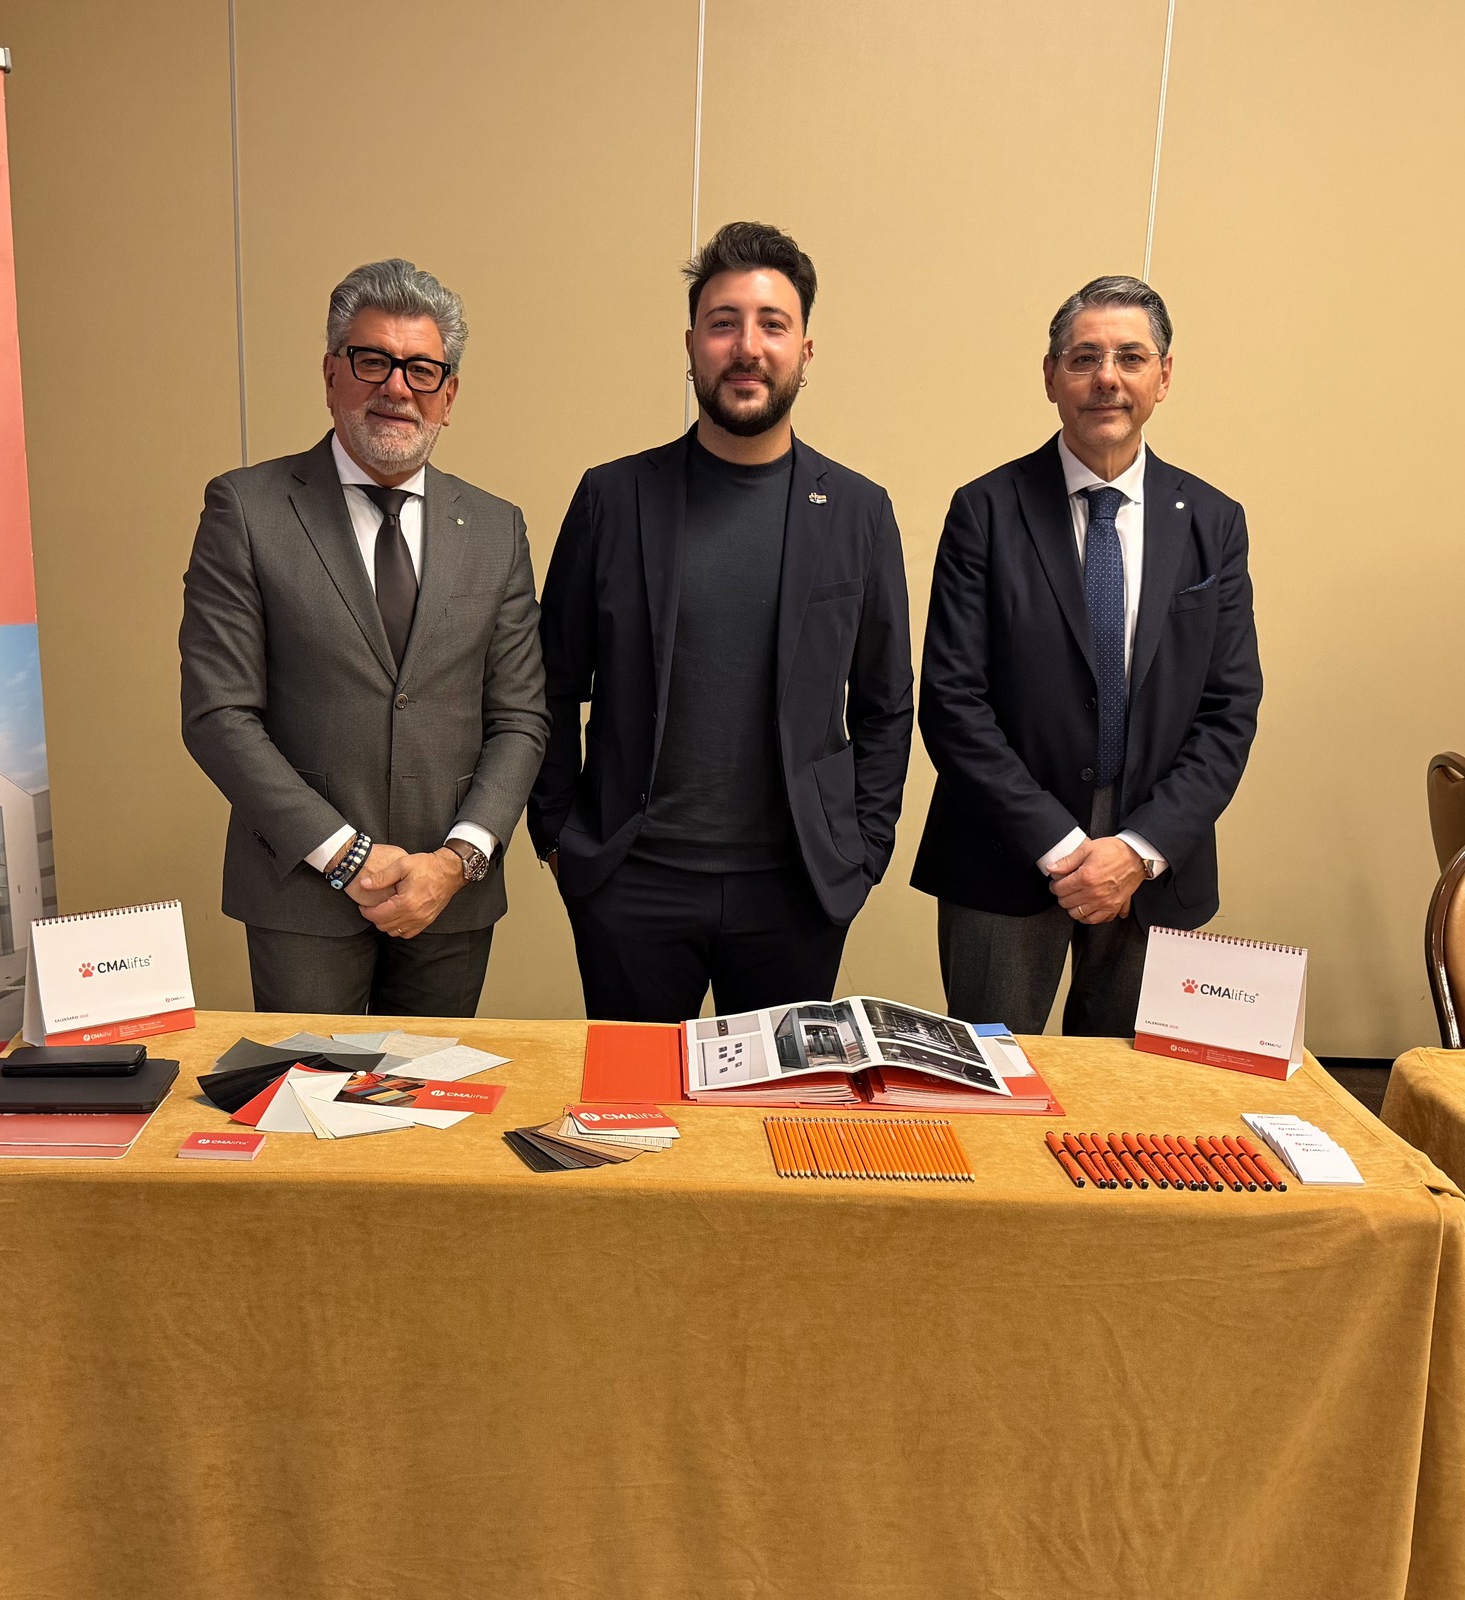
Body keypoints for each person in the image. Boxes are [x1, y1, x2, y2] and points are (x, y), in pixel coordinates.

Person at [528, 221, 913, 1022]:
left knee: (773, 1103)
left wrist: (863, 849)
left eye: (773, 324)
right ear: (692, 345)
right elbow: (551, 683)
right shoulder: (612, 499)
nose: (747, 348)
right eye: (723, 323)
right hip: (631, 886)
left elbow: (886, 704)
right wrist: (560, 835)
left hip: (796, 891)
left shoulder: (859, 512)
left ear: (805, 350)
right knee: (634, 1100)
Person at [180, 259, 547, 1016]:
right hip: (302, 895)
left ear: (448, 395)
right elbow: (219, 714)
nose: (396, 388)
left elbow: (521, 718)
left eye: (421, 369)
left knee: (432, 1091)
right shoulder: (246, 509)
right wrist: (347, 858)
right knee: (315, 1092)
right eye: (372, 360)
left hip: (448, 897)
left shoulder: (496, 527)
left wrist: (459, 858)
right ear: (331, 374)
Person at [912, 274, 1262, 1036]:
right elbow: (952, 701)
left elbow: (1229, 710)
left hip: (1155, 860)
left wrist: (1137, 850)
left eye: (1130, 357)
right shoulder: (984, 512)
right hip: (1006, 847)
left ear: (1163, 377)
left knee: (1126, 1089)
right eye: (1084, 358)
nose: (1108, 377)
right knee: (994, 1080)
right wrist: (1063, 846)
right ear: (1050, 377)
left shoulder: (1213, 522)